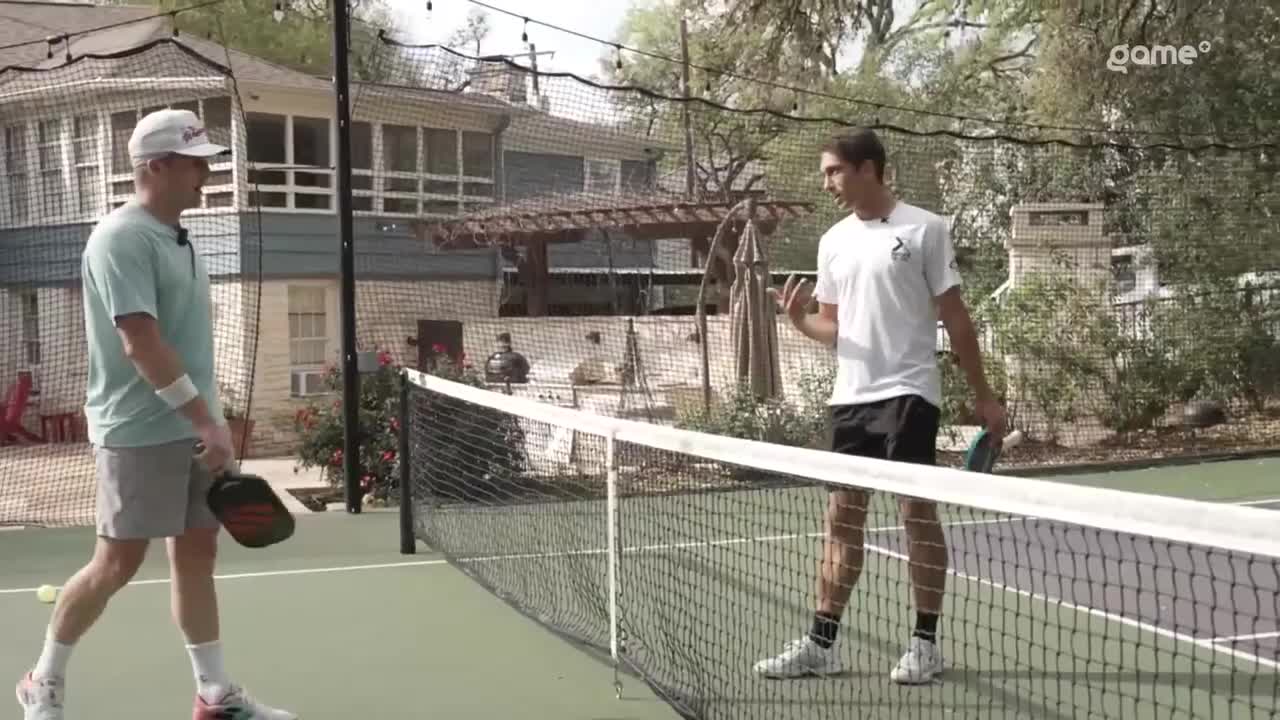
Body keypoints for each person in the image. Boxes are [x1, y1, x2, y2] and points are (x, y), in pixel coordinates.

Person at [15, 109, 295, 720]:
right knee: (116, 562)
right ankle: (43, 681)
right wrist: (205, 421)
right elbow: (139, 341)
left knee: (197, 554)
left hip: (194, 428)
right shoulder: (121, 238)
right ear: (156, 166)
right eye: (195, 162)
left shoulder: (178, 237)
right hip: (140, 431)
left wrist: (208, 422)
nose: (206, 174)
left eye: (207, 162)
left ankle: (214, 695)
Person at [754, 129, 1005, 684]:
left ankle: (926, 643)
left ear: (868, 168)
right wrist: (799, 321)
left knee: (916, 515)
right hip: (850, 400)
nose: (828, 183)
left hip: (910, 393)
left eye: (834, 172)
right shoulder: (833, 241)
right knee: (841, 520)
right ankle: (822, 646)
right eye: (826, 173)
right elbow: (834, 326)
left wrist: (984, 396)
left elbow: (956, 319)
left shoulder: (925, 229)